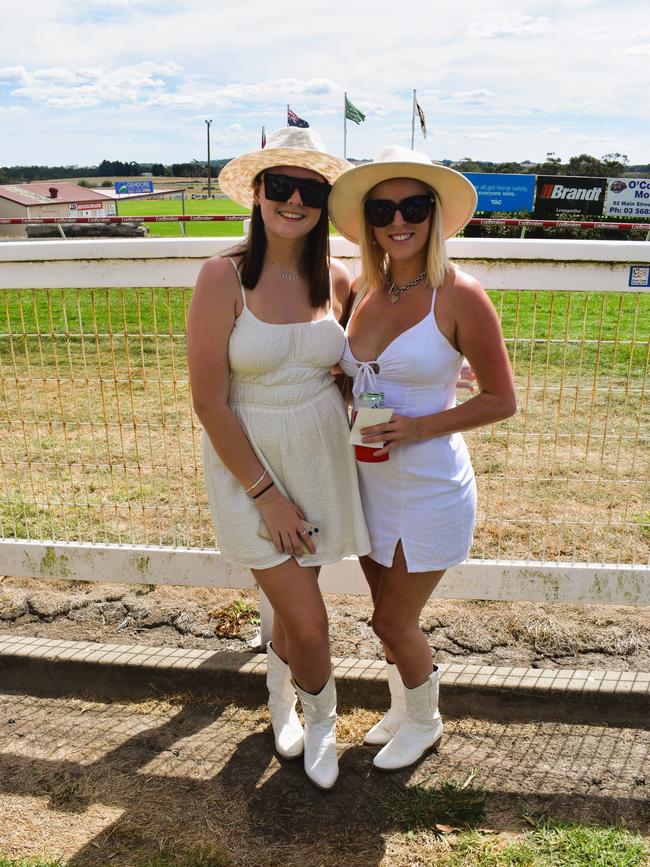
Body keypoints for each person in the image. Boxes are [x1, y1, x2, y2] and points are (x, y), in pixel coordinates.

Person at [186, 127, 370, 789]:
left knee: (297, 614)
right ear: (258, 194)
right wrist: (266, 493)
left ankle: (280, 691)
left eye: (310, 189)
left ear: (324, 200)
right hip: (251, 469)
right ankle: (321, 718)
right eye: (281, 186)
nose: (294, 200)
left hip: (320, 458)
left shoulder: (339, 279)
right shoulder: (223, 276)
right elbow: (209, 401)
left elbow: (353, 371)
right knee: (311, 622)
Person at [329, 146, 516, 771]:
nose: (397, 220)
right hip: (368, 479)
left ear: (435, 215)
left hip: (430, 484)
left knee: (391, 617)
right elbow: (356, 375)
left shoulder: (460, 295)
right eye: (383, 208)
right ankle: (402, 708)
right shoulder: (363, 290)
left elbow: (501, 400)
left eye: (413, 206)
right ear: (369, 220)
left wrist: (421, 424)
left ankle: (427, 720)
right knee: (384, 614)